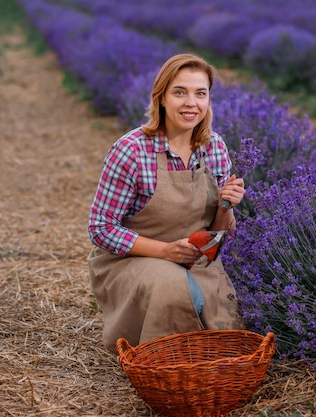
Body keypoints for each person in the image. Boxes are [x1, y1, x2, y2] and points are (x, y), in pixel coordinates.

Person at [87, 53, 245, 354]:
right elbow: (101, 228)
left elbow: (216, 235)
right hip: (131, 261)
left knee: (228, 326)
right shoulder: (132, 151)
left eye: (201, 93)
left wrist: (226, 206)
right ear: (161, 98)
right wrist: (165, 251)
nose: (191, 103)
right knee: (174, 291)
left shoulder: (215, 148)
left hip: (194, 259)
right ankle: (160, 363)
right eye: (179, 92)